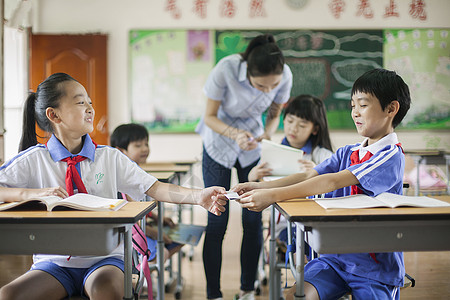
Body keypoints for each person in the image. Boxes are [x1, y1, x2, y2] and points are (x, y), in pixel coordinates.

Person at [0, 73, 226, 300]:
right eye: (80, 102)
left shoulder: (109, 157)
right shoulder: (33, 160)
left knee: (106, 290)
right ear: (54, 114)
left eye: (90, 101)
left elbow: (155, 187)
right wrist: (28, 193)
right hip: (53, 263)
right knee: (8, 294)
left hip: (105, 259)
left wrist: (198, 196)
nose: (90, 107)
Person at [232, 68, 411, 300]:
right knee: (295, 296)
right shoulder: (349, 151)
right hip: (334, 258)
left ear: (391, 109)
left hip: (374, 268)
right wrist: (261, 187)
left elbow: (332, 181)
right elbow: (309, 176)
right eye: (352, 105)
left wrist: (273, 196)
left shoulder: (390, 156)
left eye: (363, 105)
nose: (355, 112)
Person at [196, 33, 293, 300]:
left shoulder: (285, 75)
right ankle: (213, 293)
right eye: (260, 86)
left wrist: (267, 134)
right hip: (218, 142)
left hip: (253, 145)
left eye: (271, 86)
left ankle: (247, 289)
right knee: (217, 220)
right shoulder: (226, 69)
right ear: (248, 72)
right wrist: (235, 134)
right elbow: (209, 117)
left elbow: (274, 113)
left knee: (253, 218)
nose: (266, 91)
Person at [247, 95, 334, 259]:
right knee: (298, 243)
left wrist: (317, 172)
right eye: (290, 121)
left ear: (315, 129)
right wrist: (253, 177)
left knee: (315, 245)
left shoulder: (323, 155)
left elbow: (335, 187)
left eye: (302, 125)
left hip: (316, 224)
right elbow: (260, 197)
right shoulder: (272, 152)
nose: (294, 128)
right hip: (283, 226)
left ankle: (311, 279)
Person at [110, 123, 184, 263]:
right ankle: (139, 276)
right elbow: (131, 219)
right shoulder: (123, 178)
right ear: (120, 151)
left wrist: (156, 218)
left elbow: (140, 206)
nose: (145, 149)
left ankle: (145, 275)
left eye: (146, 144)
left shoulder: (139, 172)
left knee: (179, 239)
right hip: (128, 233)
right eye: (138, 146)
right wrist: (156, 234)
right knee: (162, 252)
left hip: (140, 228)